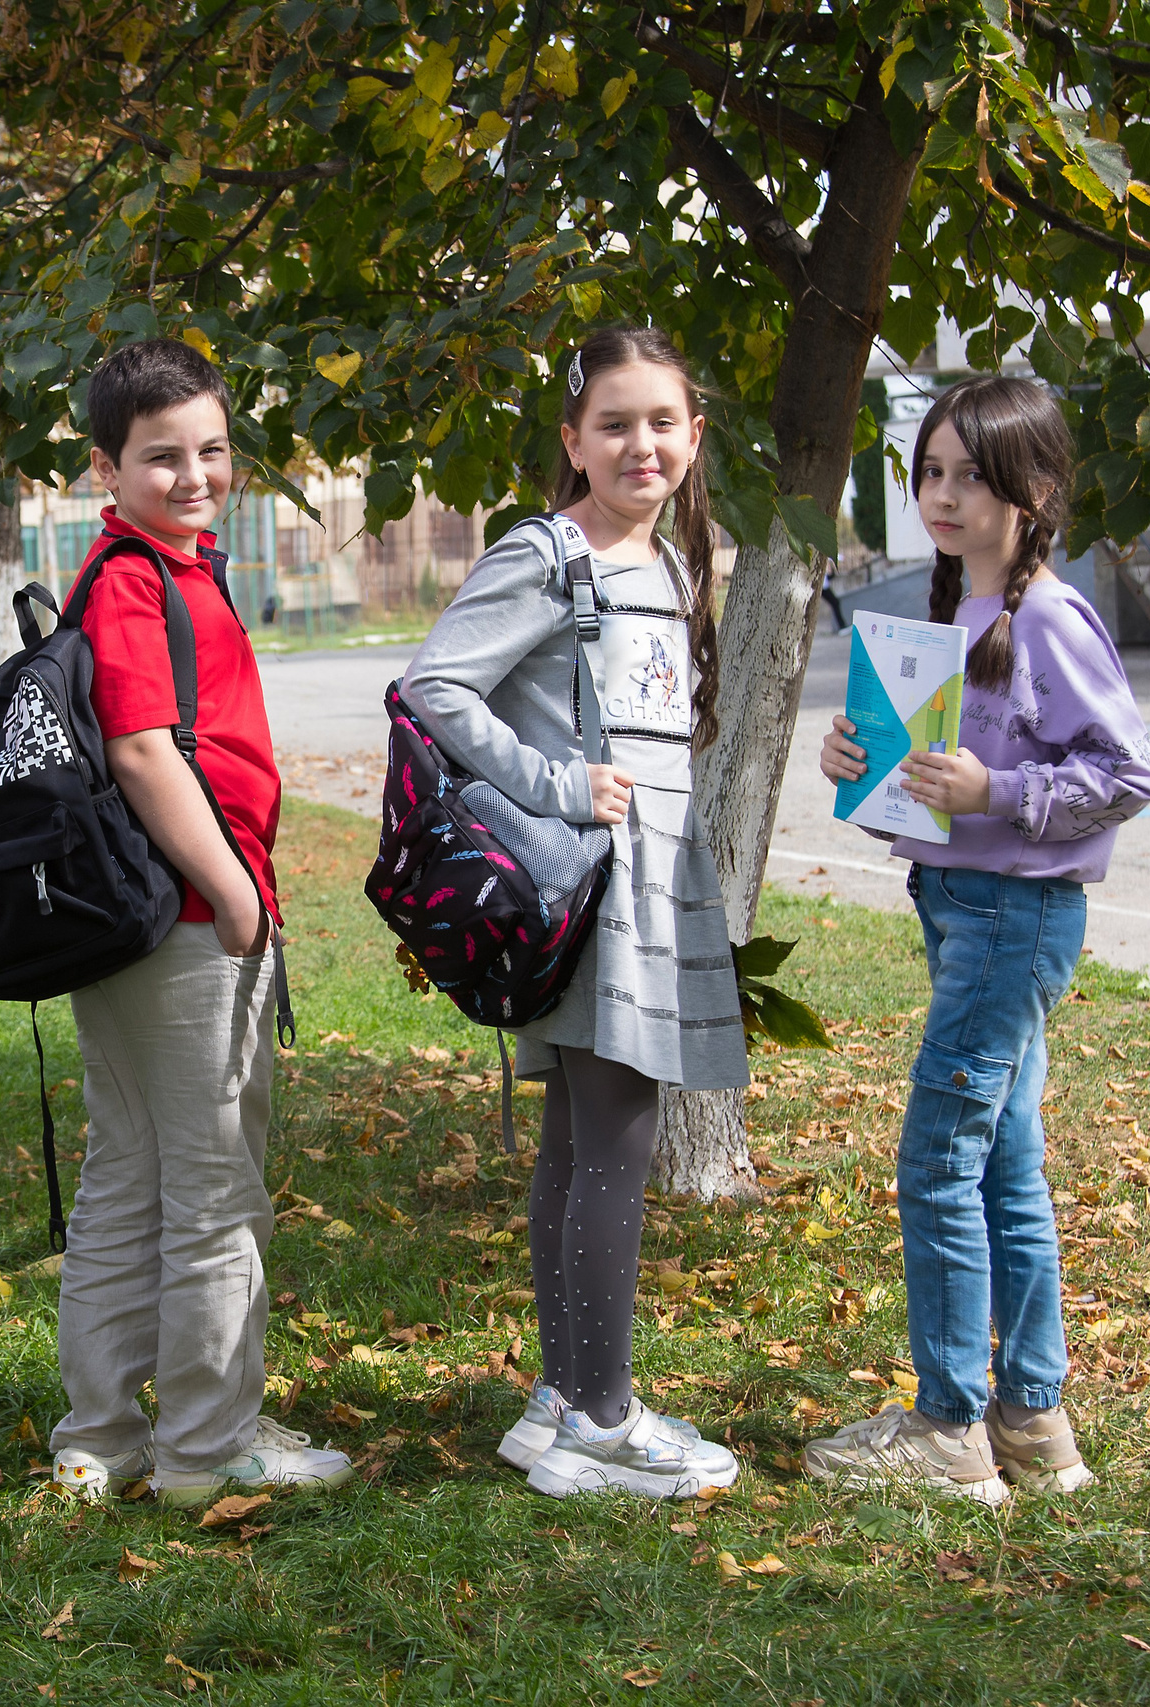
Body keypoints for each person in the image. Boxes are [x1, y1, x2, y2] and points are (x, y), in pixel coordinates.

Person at [402, 328, 748, 1502]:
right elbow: (433, 686)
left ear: (694, 438)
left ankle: (563, 1393)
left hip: (644, 884)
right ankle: (600, 1419)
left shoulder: (676, 565)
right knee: (615, 1143)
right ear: (572, 442)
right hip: (593, 890)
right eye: (614, 423)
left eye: (662, 422)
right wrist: (558, 786)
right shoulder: (549, 553)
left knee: (575, 1142)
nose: (639, 444)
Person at [807, 375, 1150, 1502]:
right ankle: (1032, 1423)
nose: (943, 497)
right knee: (1004, 1162)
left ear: (1035, 487)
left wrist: (993, 789)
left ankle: (949, 1432)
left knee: (937, 1161)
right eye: (931, 473)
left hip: (1014, 923)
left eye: (971, 474)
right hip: (958, 911)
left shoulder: (1051, 615)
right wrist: (862, 766)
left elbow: (1124, 775)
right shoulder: (951, 613)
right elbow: (932, 780)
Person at [44, 338, 352, 1509]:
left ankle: (100, 1441)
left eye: (213, 450)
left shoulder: (163, 568)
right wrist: (233, 890)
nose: (194, 475)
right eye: (161, 456)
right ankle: (207, 1447)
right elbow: (139, 747)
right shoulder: (134, 580)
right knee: (215, 1189)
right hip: (179, 923)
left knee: (126, 1175)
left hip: (131, 924)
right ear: (103, 469)